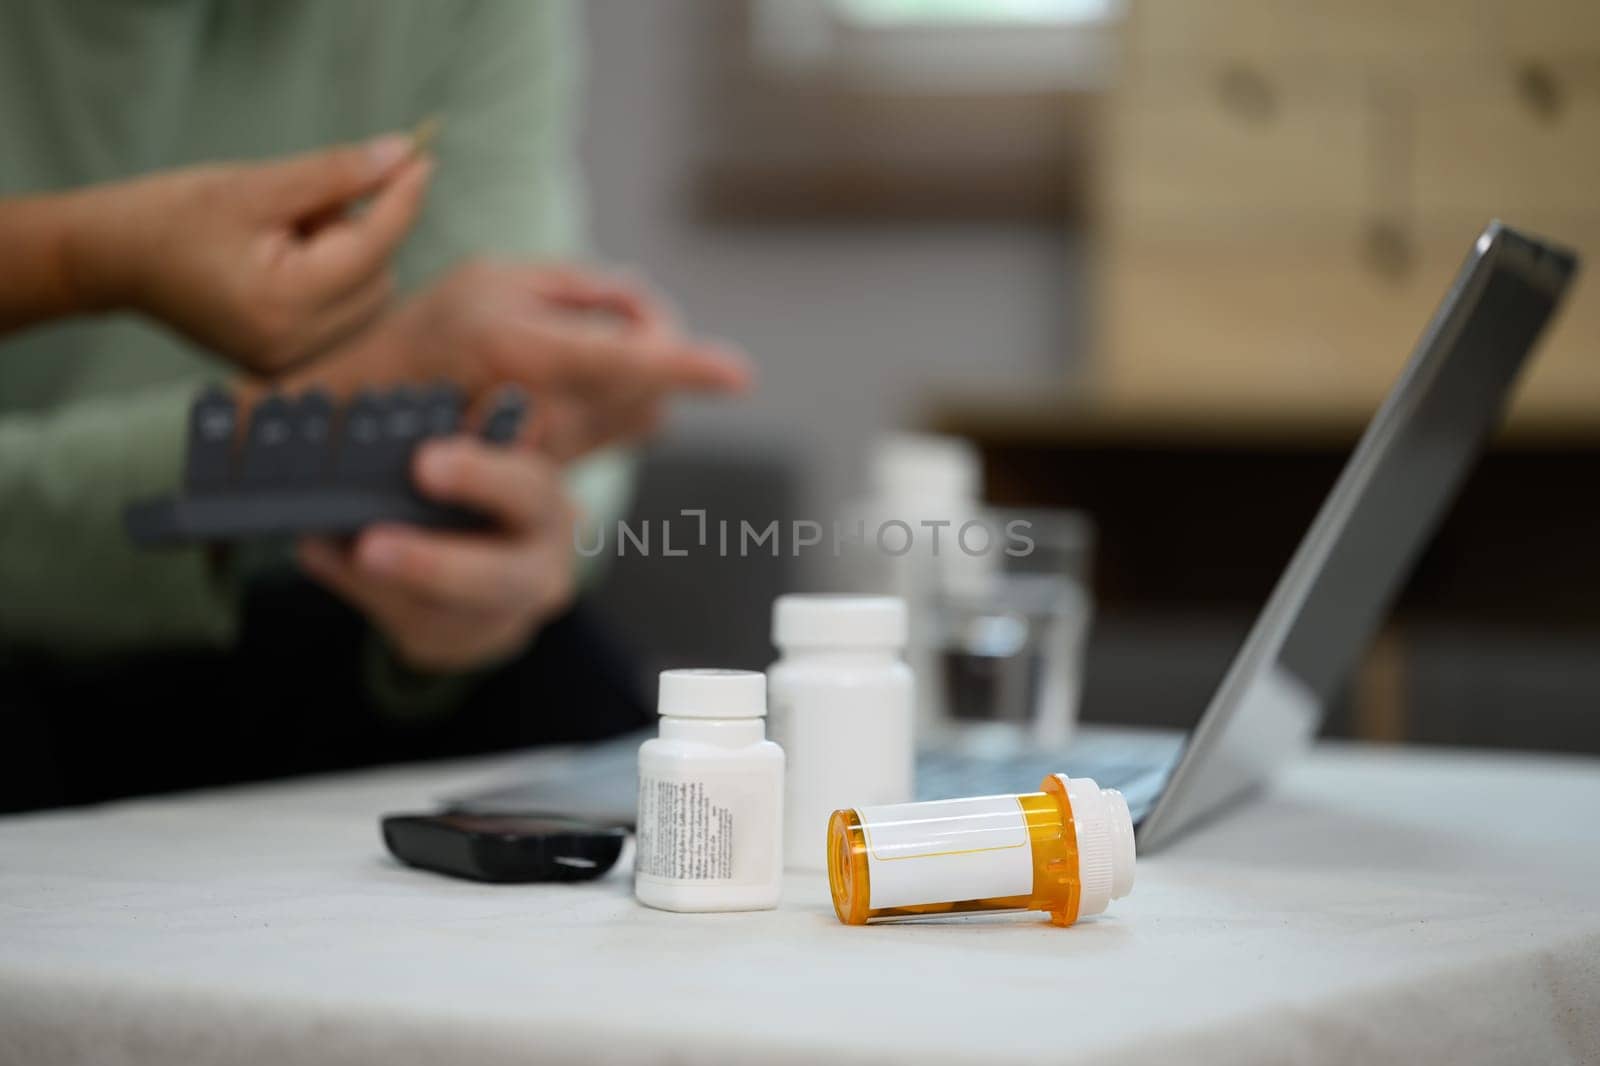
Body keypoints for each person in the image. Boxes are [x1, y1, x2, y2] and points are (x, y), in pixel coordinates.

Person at [0, 0, 748, 811]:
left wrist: (525, 526)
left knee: (568, 697)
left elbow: (527, 428)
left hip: (343, 618)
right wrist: (300, 422)